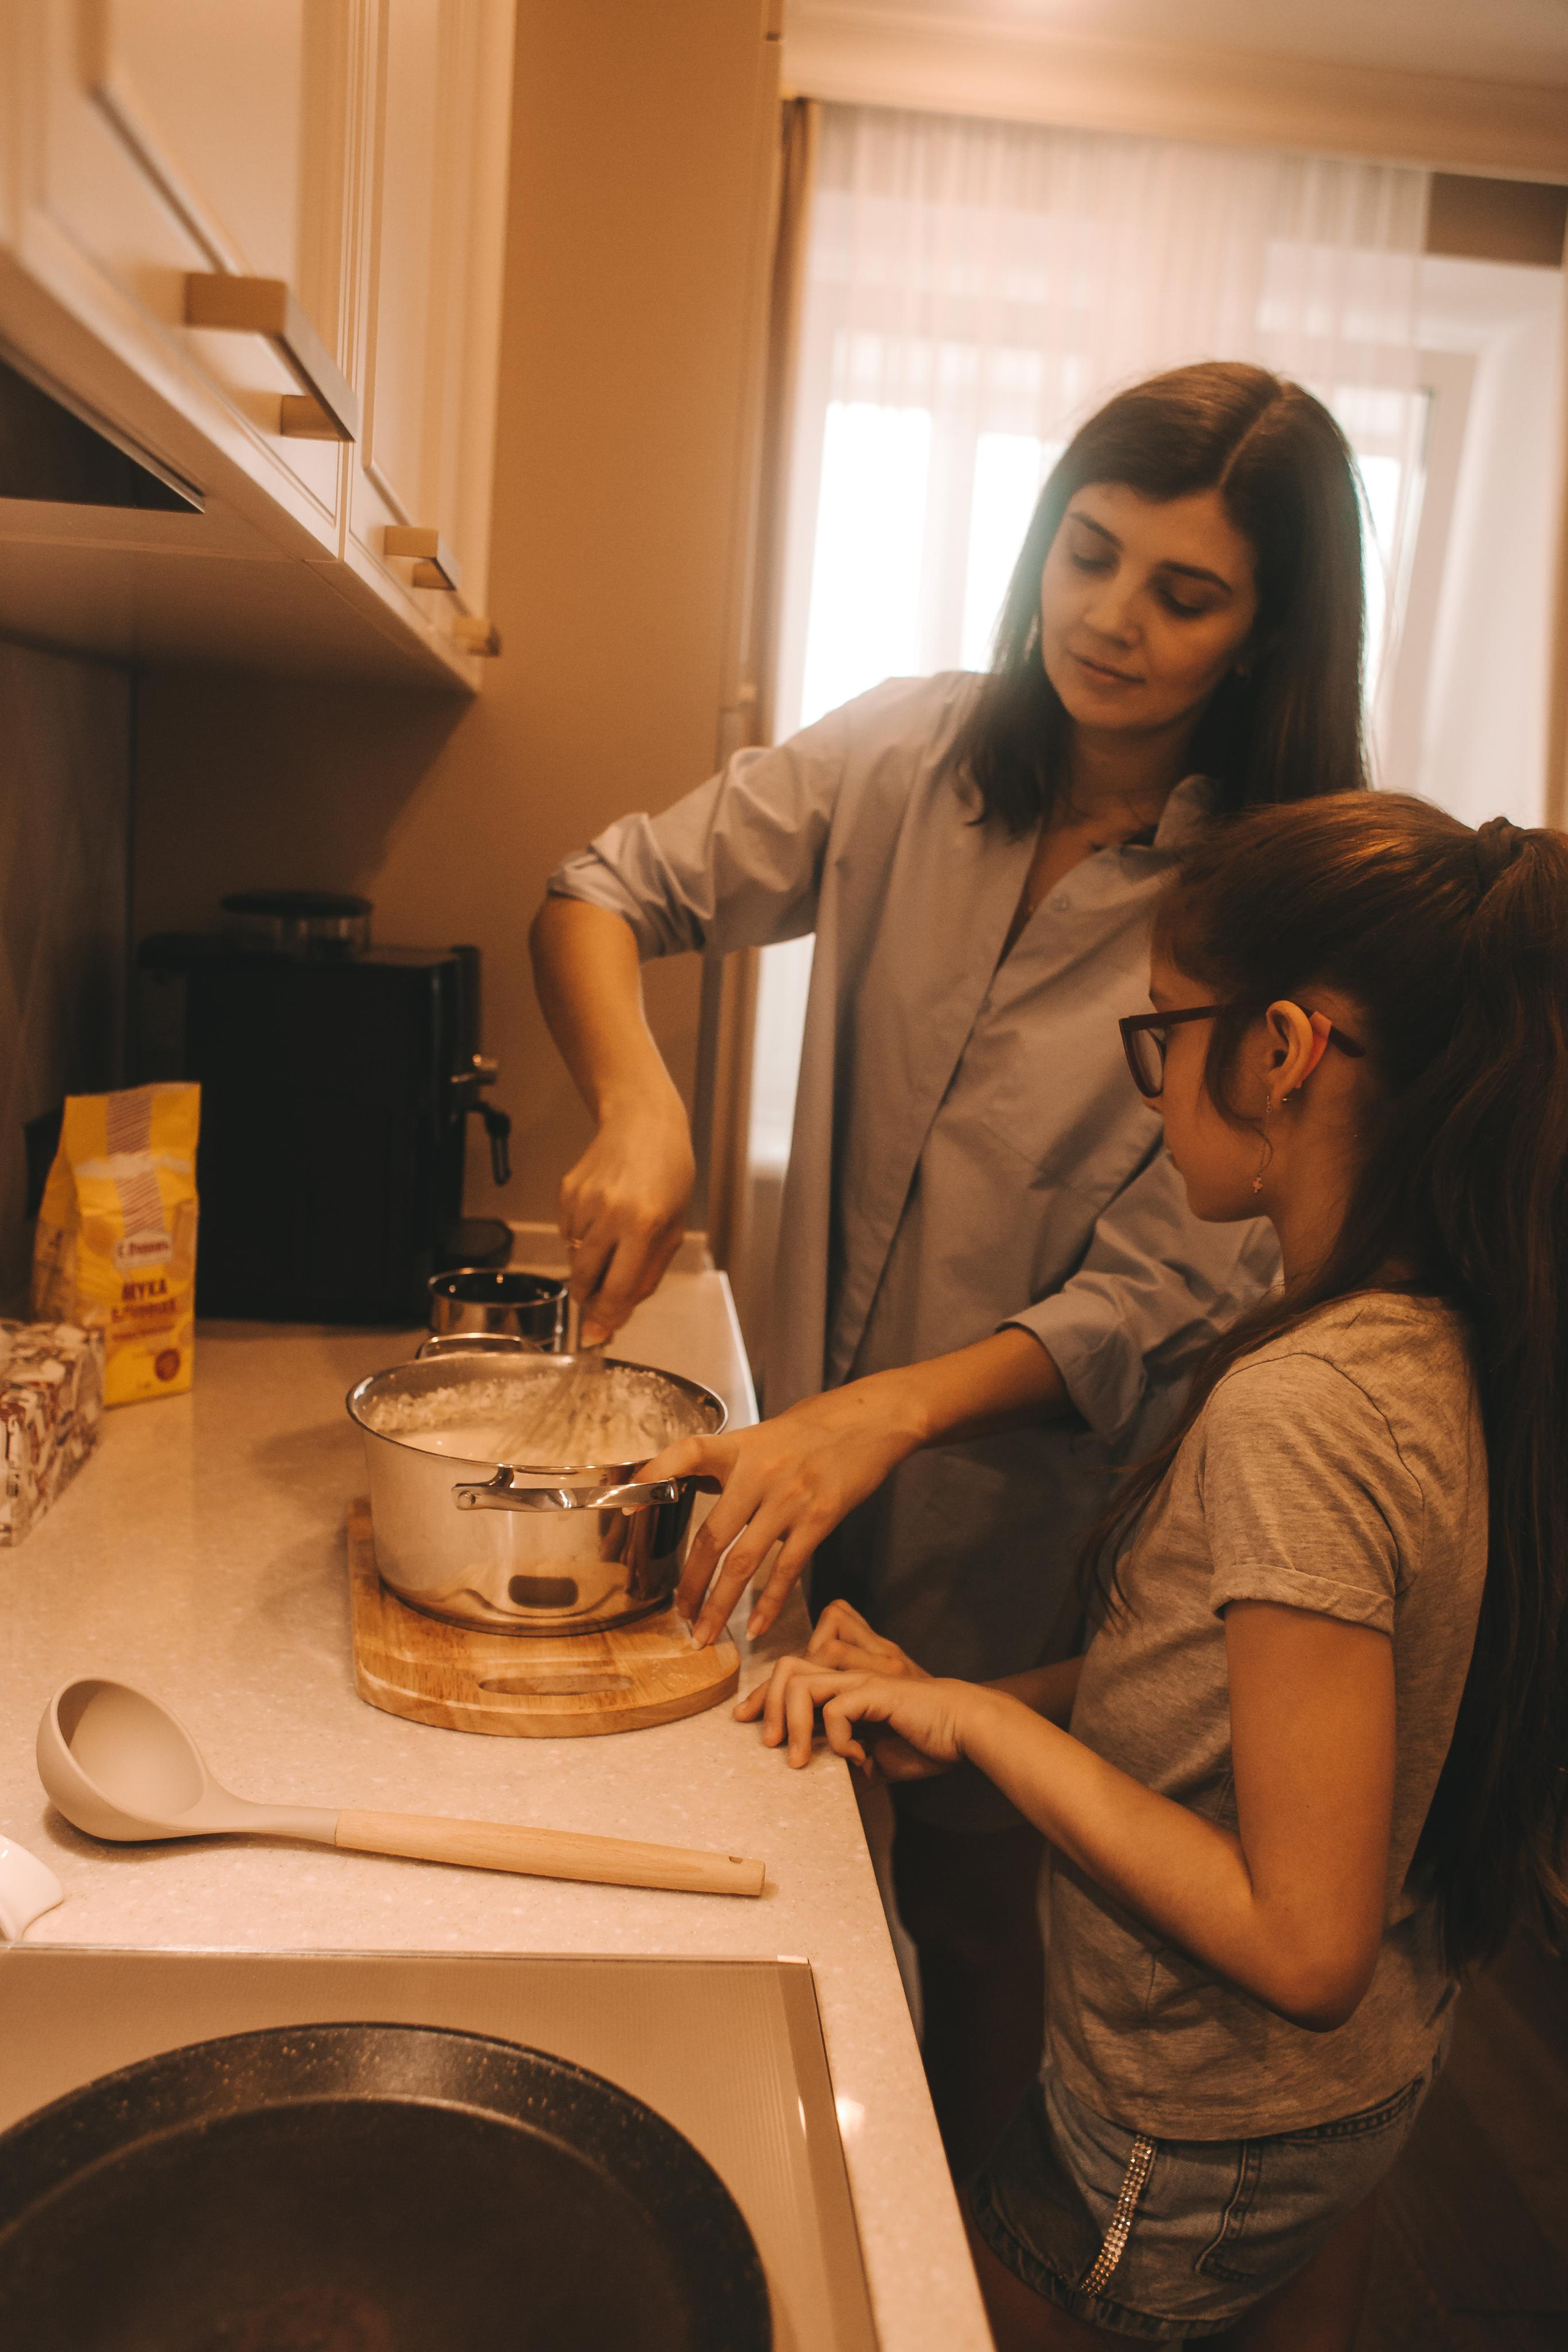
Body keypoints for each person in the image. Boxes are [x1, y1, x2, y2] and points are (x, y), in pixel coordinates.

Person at [531, 362, 1369, 2170]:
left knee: (982, 1922)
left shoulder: (1262, 904)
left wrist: (886, 1419)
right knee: (776, 1876)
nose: (1110, 621)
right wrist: (640, 1101)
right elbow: (605, 886)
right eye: (1088, 554)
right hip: (789, 1474)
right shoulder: (906, 755)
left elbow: (1154, 1295)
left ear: (1266, 634)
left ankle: (970, 2250)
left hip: (1032, 1520)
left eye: (1185, 592)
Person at [741, 793, 1568, 2347]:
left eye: (1159, 1037)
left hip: (1199, 2121)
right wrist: (975, 1698)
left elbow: (1300, 1942)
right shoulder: (1435, 1328)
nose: (1148, 1087)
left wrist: (998, 1734)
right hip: (1358, 2083)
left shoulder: (1305, 1408)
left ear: (1279, 1051)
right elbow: (1226, 1692)